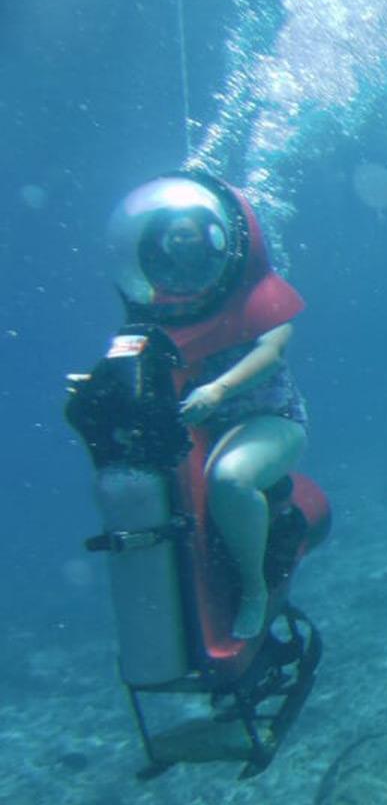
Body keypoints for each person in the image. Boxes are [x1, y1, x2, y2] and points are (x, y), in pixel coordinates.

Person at [112, 175, 309, 641]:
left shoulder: (259, 289)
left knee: (229, 480)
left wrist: (218, 391)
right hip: (202, 426)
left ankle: (254, 589)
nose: (182, 244)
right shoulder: (164, 300)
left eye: (190, 234)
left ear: (214, 236)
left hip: (273, 421)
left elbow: (271, 352)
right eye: (173, 235)